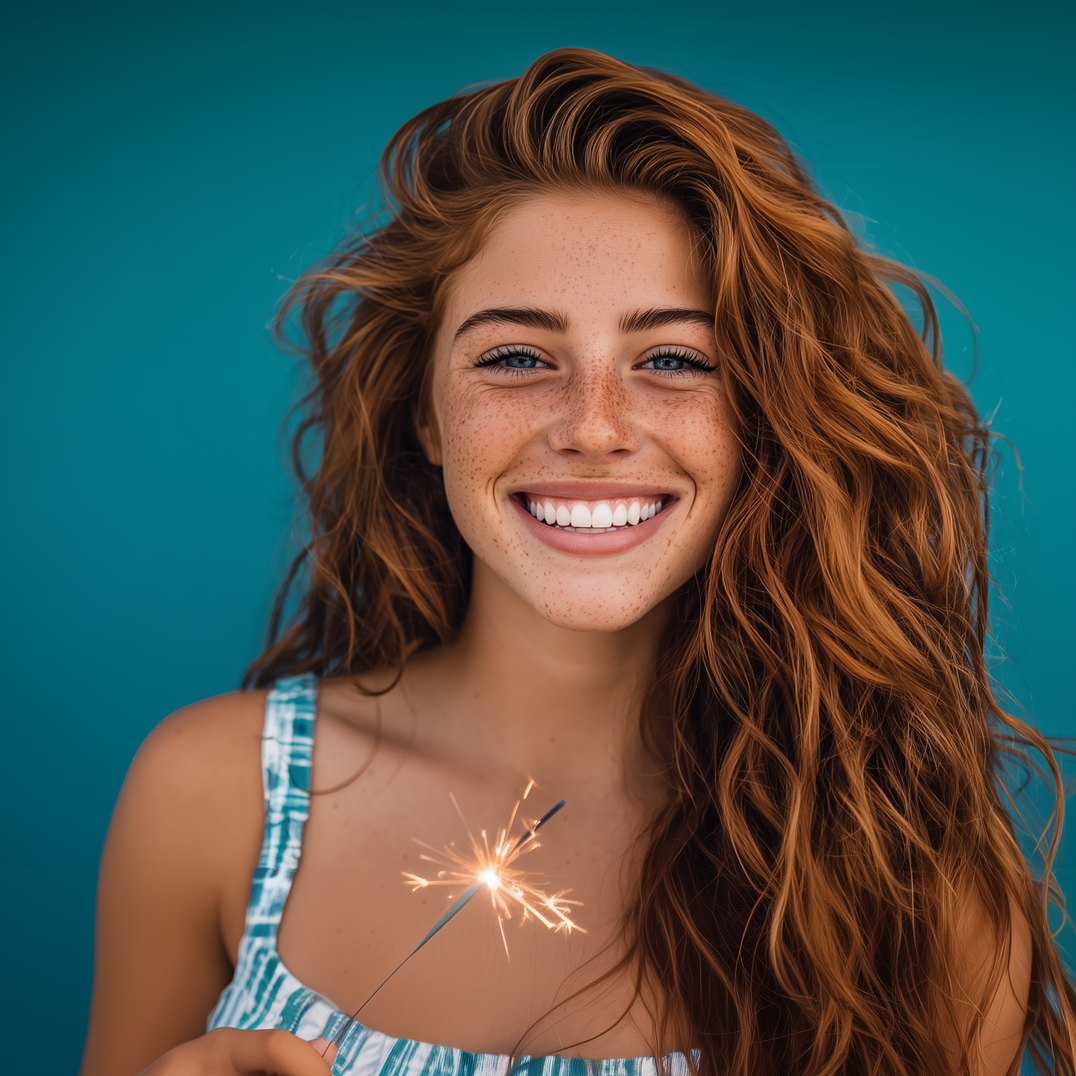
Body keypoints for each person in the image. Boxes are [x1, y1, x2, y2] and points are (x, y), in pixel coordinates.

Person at [79, 48, 1075, 1076]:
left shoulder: (915, 896)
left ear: (763, 420)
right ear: (423, 409)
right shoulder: (210, 796)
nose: (593, 428)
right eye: (515, 357)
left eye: (675, 361)